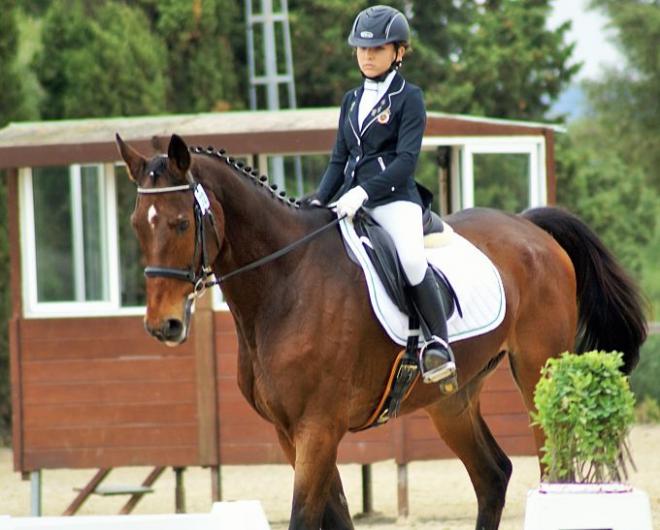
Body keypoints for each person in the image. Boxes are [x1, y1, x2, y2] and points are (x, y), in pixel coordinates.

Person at [310, 5, 456, 385]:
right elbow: (338, 159)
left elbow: (405, 162)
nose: (367, 56)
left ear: (399, 53)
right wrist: (316, 200)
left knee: (409, 260)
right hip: (348, 199)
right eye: (361, 49)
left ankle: (440, 344)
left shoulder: (410, 98)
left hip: (394, 200)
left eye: (376, 49)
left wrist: (363, 191)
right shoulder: (351, 100)